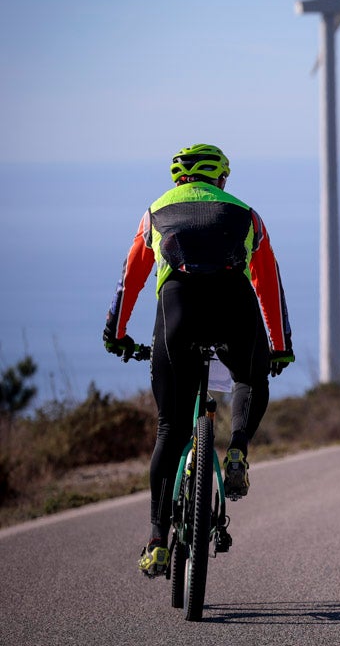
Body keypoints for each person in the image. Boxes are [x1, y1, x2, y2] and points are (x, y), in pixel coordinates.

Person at [102, 144, 294, 578]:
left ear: (179, 179)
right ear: (221, 179)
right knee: (249, 378)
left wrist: (115, 333)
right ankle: (239, 450)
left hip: (178, 311)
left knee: (170, 428)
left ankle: (155, 540)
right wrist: (279, 345)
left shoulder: (155, 211)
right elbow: (268, 282)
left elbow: (129, 278)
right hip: (233, 307)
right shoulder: (246, 214)